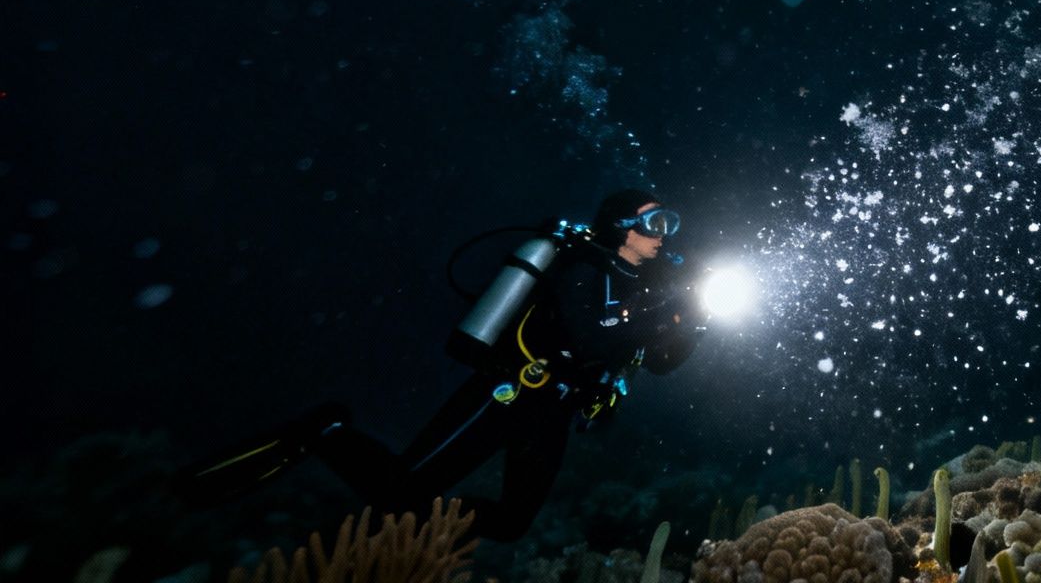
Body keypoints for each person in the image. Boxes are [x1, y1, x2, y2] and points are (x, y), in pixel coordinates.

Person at [187, 189, 707, 541]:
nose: (665, 233)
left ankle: (418, 527)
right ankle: (327, 431)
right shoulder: (582, 269)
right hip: (508, 393)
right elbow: (588, 335)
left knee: (511, 523)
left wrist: (691, 324)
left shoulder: (647, 290)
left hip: (552, 410)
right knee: (399, 492)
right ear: (621, 226)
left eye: (670, 222)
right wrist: (666, 317)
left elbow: (658, 364)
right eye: (655, 222)